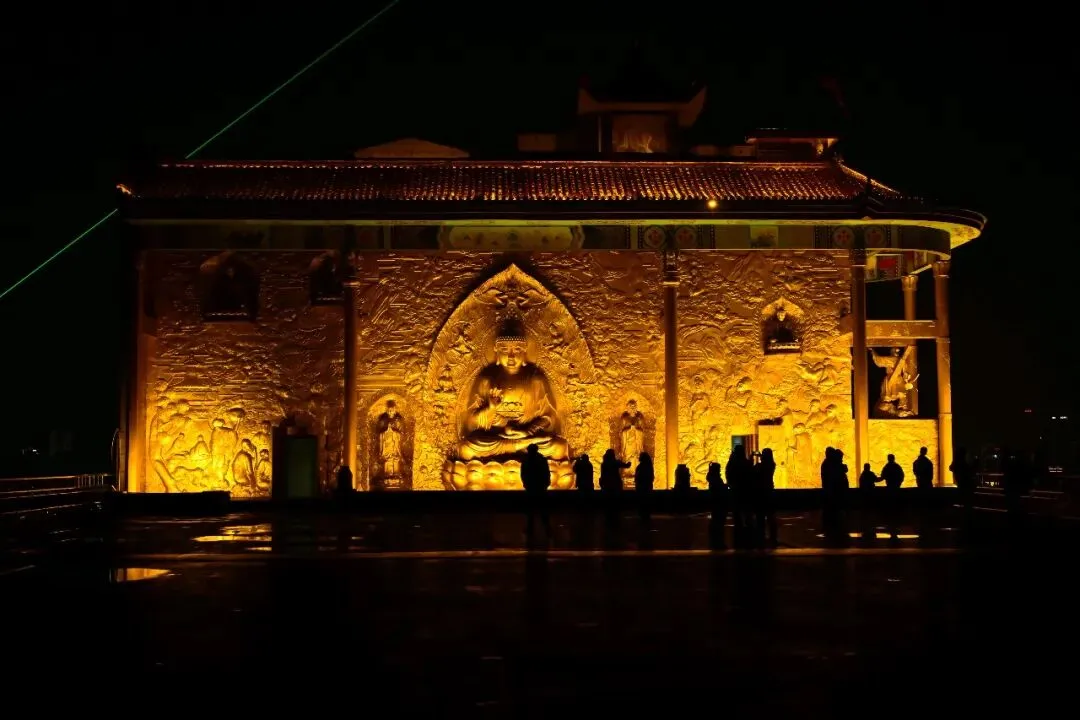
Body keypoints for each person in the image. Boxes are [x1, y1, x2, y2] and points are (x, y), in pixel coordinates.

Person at [521, 443, 551, 541]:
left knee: (540, 509)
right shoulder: (527, 460)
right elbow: (523, 473)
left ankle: (545, 528)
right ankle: (534, 528)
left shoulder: (540, 459)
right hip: (533, 486)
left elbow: (546, 472)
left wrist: (546, 482)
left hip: (538, 486)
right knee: (533, 510)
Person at [756, 448, 778, 546]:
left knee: (761, 517)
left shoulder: (761, 466)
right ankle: (773, 537)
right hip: (769, 492)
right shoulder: (771, 464)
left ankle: (761, 537)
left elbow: (755, 470)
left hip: (761, 494)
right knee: (770, 517)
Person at [880, 453, 905, 540]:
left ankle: (891, 524)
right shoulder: (897, 467)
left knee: (890, 508)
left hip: (890, 489)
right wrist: (898, 484)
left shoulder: (887, 467)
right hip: (896, 489)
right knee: (896, 508)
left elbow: (882, 476)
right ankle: (896, 524)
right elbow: (902, 476)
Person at [706, 462, 727, 547]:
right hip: (718, 503)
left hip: (715, 503)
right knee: (718, 522)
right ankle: (718, 541)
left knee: (716, 521)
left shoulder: (712, 478)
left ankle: (715, 540)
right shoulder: (716, 479)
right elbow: (719, 490)